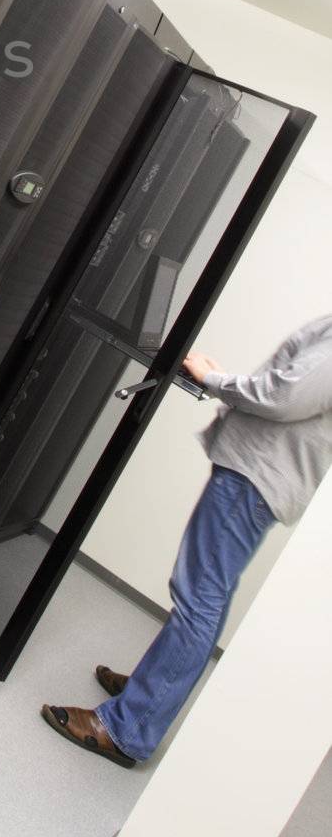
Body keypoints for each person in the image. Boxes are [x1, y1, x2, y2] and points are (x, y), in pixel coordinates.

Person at [41, 314, 332, 768]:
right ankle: (148, 694)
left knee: (199, 600)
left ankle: (127, 727)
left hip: (254, 475)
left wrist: (215, 379)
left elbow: (287, 395)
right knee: (206, 598)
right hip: (260, 475)